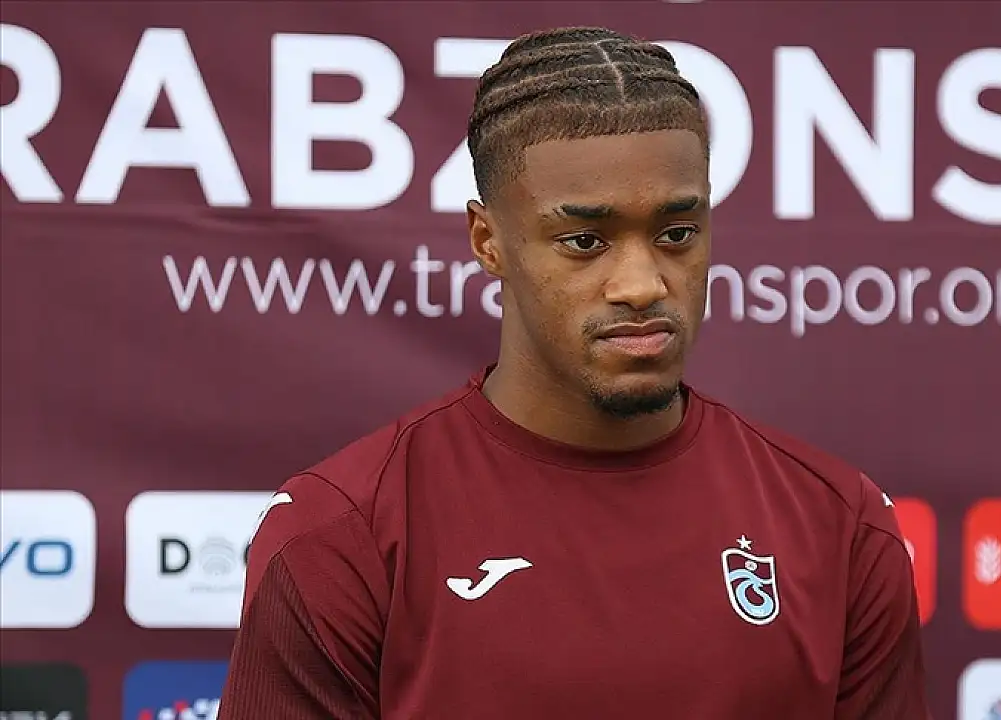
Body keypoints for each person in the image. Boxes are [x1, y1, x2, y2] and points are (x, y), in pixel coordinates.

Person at [219, 26, 930, 720]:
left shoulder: (840, 525)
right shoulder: (342, 535)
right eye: (585, 240)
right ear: (488, 241)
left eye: (677, 233)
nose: (642, 283)